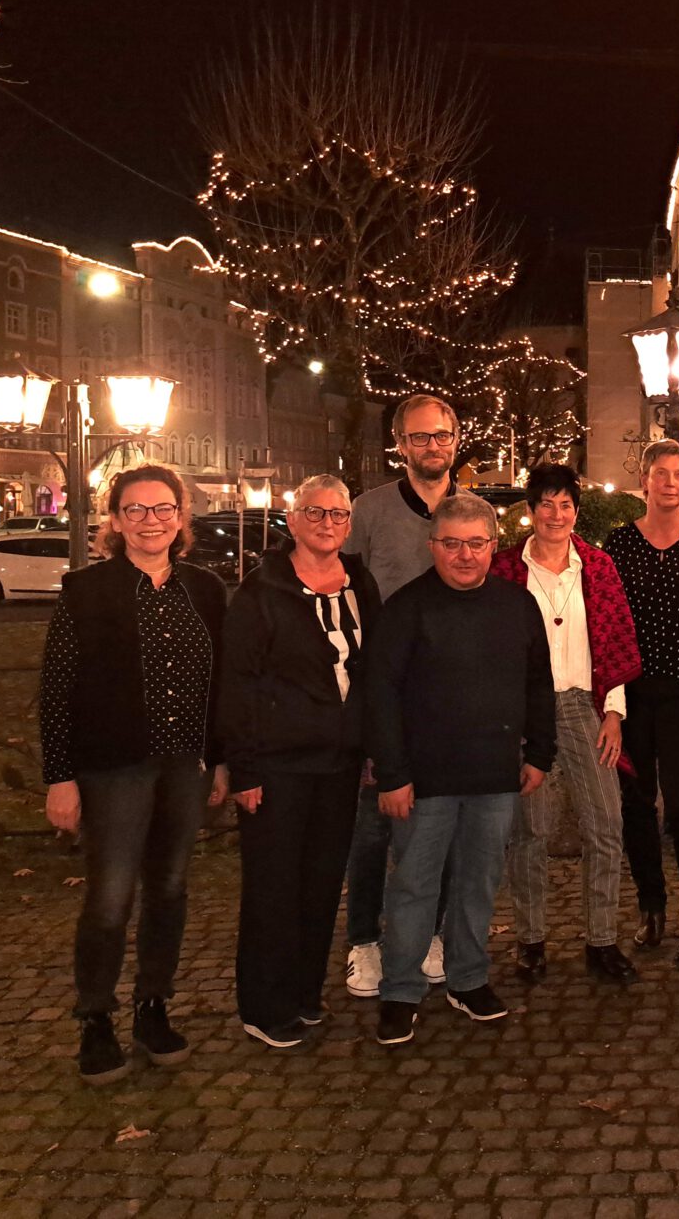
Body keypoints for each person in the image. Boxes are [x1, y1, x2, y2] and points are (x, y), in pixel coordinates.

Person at [39, 464, 228, 1085]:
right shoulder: (86, 591)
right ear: (115, 521)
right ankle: (96, 1019)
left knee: (170, 889)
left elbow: (221, 682)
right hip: (113, 767)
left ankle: (153, 1004)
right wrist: (60, 777)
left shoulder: (204, 588)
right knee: (110, 898)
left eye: (163, 508)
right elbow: (57, 689)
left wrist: (222, 758)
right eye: (137, 510)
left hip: (184, 765)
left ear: (182, 517)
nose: (152, 520)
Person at [368, 495, 556, 1045]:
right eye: (452, 543)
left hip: (494, 775)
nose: (464, 555)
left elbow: (537, 684)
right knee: (413, 887)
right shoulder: (406, 609)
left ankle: (468, 978)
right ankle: (400, 990)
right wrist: (392, 774)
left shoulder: (517, 606)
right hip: (421, 780)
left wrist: (540, 753)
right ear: (433, 547)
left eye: (476, 543)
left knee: (479, 884)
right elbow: (380, 696)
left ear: (493, 547)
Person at [223, 475, 382, 1049]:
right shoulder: (261, 590)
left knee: (319, 883)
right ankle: (264, 1003)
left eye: (338, 515)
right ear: (292, 520)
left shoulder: (358, 581)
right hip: (277, 766)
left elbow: (372, 670)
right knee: (273, 886)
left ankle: (305, 992)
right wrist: (243, 770)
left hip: (339, 764)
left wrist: (373, 747)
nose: (327, 524)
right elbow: (237, 684)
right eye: (315, 513)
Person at [340, 394, 474, 1000]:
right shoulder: (367, 513)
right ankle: (364, 940)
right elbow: (339, 594)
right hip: (382, 693)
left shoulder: (468, 511)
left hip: (450, 698)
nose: (432, 445)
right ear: (400, 444)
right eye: (419, 437)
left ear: (456, 438)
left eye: (441, 435)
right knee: (372, 829)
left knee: (443, 823)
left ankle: (437, 933)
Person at [491, 464, 643, 984]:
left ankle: (601, 940)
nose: (556, 515)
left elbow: (616, 643)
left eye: (565, 505)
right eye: (546, 505)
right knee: (529, 829)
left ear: (575, 511)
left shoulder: (597, 568)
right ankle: (531, 939)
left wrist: (615, 713)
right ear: (530, 511)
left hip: (584, 704)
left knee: (606, 824)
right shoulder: (505, 570)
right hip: (524, 709)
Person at [605, 441, 679, 965]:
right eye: (660, 473)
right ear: (645, 481)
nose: (670, 482)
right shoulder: (620, 543)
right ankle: (651, 906)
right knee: (635, 804)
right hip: (630, 692)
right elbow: (605, 617)